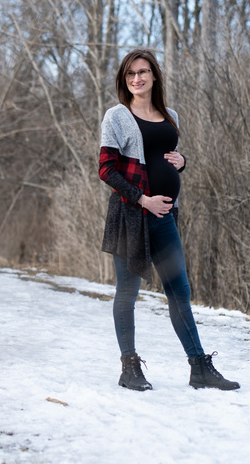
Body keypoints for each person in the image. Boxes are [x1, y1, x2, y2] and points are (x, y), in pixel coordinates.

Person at [98, 49, 240, 391]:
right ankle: (129, 368)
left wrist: (182, 161)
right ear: (124, 79)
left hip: (165, 218)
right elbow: (106, 170)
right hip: (131, 217)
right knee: (128, 292)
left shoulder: (169, 115)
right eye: (130, 74)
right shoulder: (116, 117)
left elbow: (165, 158)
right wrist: (143, 199)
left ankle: (199, 367)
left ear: (154, 76)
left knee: (180, 291)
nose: (137, 78)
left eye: (143, 72)